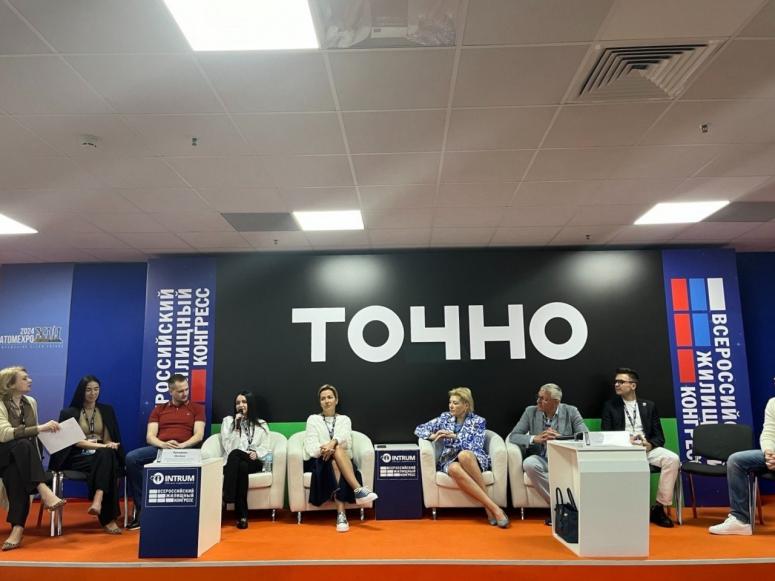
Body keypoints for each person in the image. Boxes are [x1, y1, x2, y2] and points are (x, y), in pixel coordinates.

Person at [415, 387, 509, 528]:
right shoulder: (445, 418)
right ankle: (493, 508)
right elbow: (419, 429)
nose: (451, 406)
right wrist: (433, 436)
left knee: (464, 455)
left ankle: (489, 508)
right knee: (453, 468)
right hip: (449, 459)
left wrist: (455, 437)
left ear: (466, 405)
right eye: (450, 402)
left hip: (473, 457)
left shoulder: (478, 421)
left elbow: (475, 445)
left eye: (455, 403)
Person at [601, 367, 680, 528]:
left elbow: (659, 436)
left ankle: (659, 508)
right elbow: (606, 434)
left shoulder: (649, 406)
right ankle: (622, 509)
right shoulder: (610, 406)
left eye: (621, 381)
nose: (616, 384)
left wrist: (650, 444)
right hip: (623, 450)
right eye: (616, 382)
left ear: (633, 385)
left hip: (645, 449)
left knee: (673, 459)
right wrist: (626, 440)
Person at [124, 374, 204, 530]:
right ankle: (142, 509)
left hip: (185, 450)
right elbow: (150, 437)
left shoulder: (197, 409)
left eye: (186, 389)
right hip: (161, 449)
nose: (185, 393)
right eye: (180, 391)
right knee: (131, 458)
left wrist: (182, 446)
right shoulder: (159, 410)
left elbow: (199, 435)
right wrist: (163, 445)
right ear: (171, 391)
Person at [49, 375, 125, 534]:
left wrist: (109, 444)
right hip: (77, 456)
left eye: (96, 389)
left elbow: (110, 437)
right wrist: (103, 447)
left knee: (107, 456)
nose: (93, 393)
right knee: (108, 461)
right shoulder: (69, 412)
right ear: (81, 391)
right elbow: (75, 442)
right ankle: (108, 517)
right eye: (88, 390)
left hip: (101, 454)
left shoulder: (107, 410)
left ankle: (98, 498)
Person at [0, 366, 66, 551]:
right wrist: (41, 428)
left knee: (16, 473)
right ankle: (43, 489)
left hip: (19, 460)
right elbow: (4, 434)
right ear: (10, 384)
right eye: (24, 378)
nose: (30, 380)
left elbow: (33, 437)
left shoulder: (30, 402)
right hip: (1, 454)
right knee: (22, 444)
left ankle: (17, 529)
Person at [508, 383, 588, 524]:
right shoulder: (530, 412)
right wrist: (534, 438)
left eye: (543, 399)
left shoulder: (571, 411)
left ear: (556, 402)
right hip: (542, 458)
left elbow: (585, 436)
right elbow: (514, 436)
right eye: (538, 397)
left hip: (564, 459)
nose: (538, 401)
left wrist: (560, 438)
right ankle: (561, 508)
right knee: (529, 463)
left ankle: (563, 512)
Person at [303, 384, 378, 532]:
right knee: (337, 450)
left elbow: (347, 442)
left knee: (337, 452)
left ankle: (341, 515)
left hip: (341, 459)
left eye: (330, 397)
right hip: (320, 461)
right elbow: (311, 447)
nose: (327, 401)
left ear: (336, 400)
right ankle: (358, 490)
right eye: (323, 398)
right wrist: (328, 449)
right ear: (320, 402)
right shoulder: (313, 419)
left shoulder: (344, 419)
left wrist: (333, 443)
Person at [708, 397, 775, 535]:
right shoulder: (773, 403)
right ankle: (740, 520)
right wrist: (769, 453)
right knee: (736, 460)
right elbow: (769, 433)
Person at [219, 390, 271, 529]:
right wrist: (237, 427)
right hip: (234, 461)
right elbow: (229, 449)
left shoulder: (261, 424)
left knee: (239, 458)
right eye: (237, 403)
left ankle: (227, 496)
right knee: (240, 464)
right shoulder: (228, 422)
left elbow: (266, 446)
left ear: (250, 404)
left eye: (244, 402)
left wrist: (257, 453)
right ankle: (242, 516)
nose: (240, 405)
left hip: (253, 461)